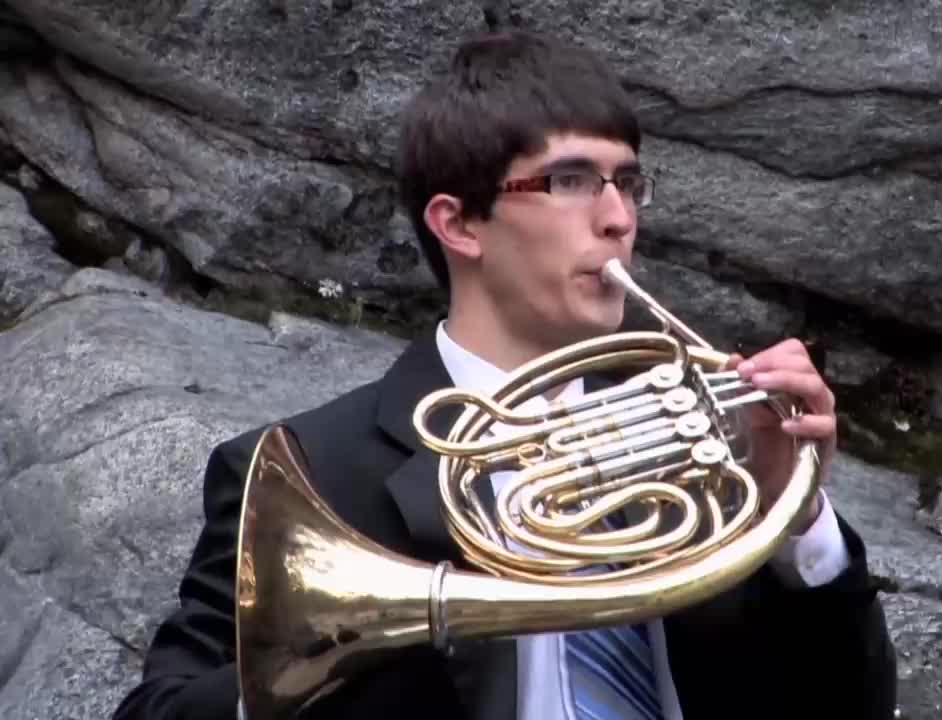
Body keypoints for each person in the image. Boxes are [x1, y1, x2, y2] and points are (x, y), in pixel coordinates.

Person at [111, 29, 897, 720]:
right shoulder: (308, 471)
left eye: (629, 182)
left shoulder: (710, 458)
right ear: (458, 223)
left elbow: (849, 707)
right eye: (571, 181)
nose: (619, 218)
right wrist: (306, 668)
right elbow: (158, 708)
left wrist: (795, 520)